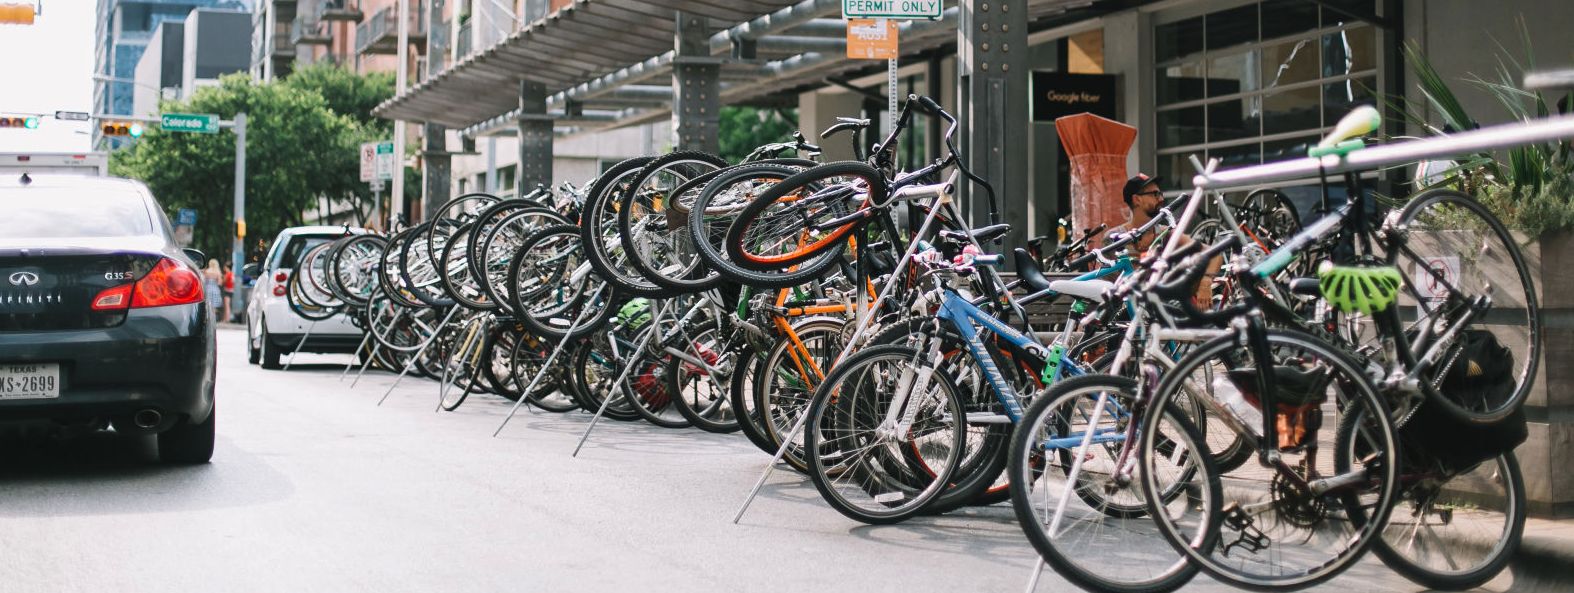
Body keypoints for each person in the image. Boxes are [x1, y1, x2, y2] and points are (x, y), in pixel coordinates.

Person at [1107, 173, 1220, 307]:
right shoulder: (1115, 237)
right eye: (1154, 194)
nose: (1161, 199)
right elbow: (1107, 287)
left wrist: (1205, 282)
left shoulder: (1165, 233)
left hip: (1160, 310)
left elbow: (1214, 253)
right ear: (1137, 199)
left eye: (1160, 193)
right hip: (1125, 314)